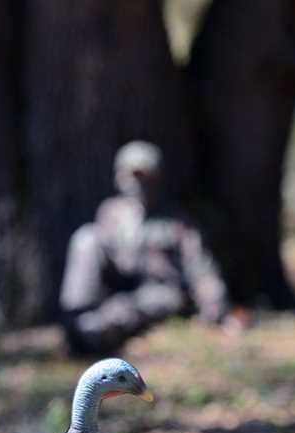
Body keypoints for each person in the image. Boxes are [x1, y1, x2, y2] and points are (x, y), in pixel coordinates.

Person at [59, 141, 232, 355]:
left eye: (143, 176)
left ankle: (100, 333)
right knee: (86, 238)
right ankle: (77, 319)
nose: (136, 183)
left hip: (160, 293)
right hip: (115, 288)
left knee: (139, 305)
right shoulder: (110, 213)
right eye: (130, 175)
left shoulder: (176, 222)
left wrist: (214, 306)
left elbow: (201, 269)